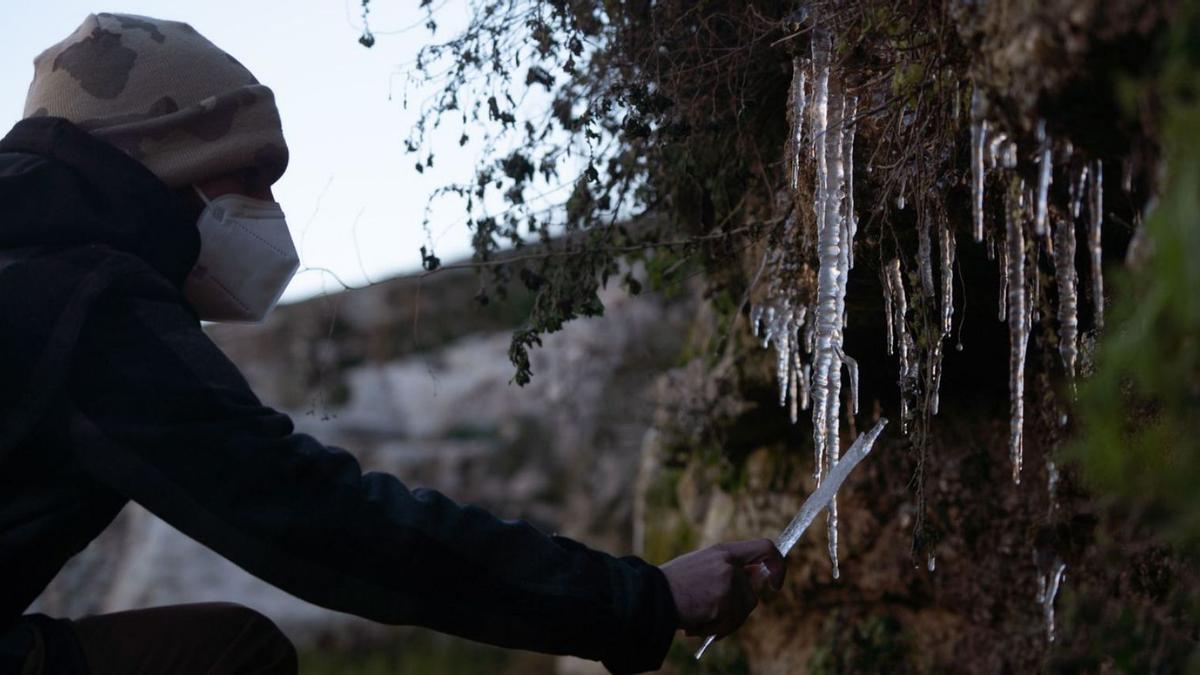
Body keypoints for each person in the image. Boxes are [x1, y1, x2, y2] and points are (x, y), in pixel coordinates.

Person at [0, 13, 786, 675]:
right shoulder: (88, 306)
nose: (272, 214)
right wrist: (640, 598)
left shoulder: (36, 265)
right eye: (253, 179)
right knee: (228, 658)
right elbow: (314, 519)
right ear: (174, 160)